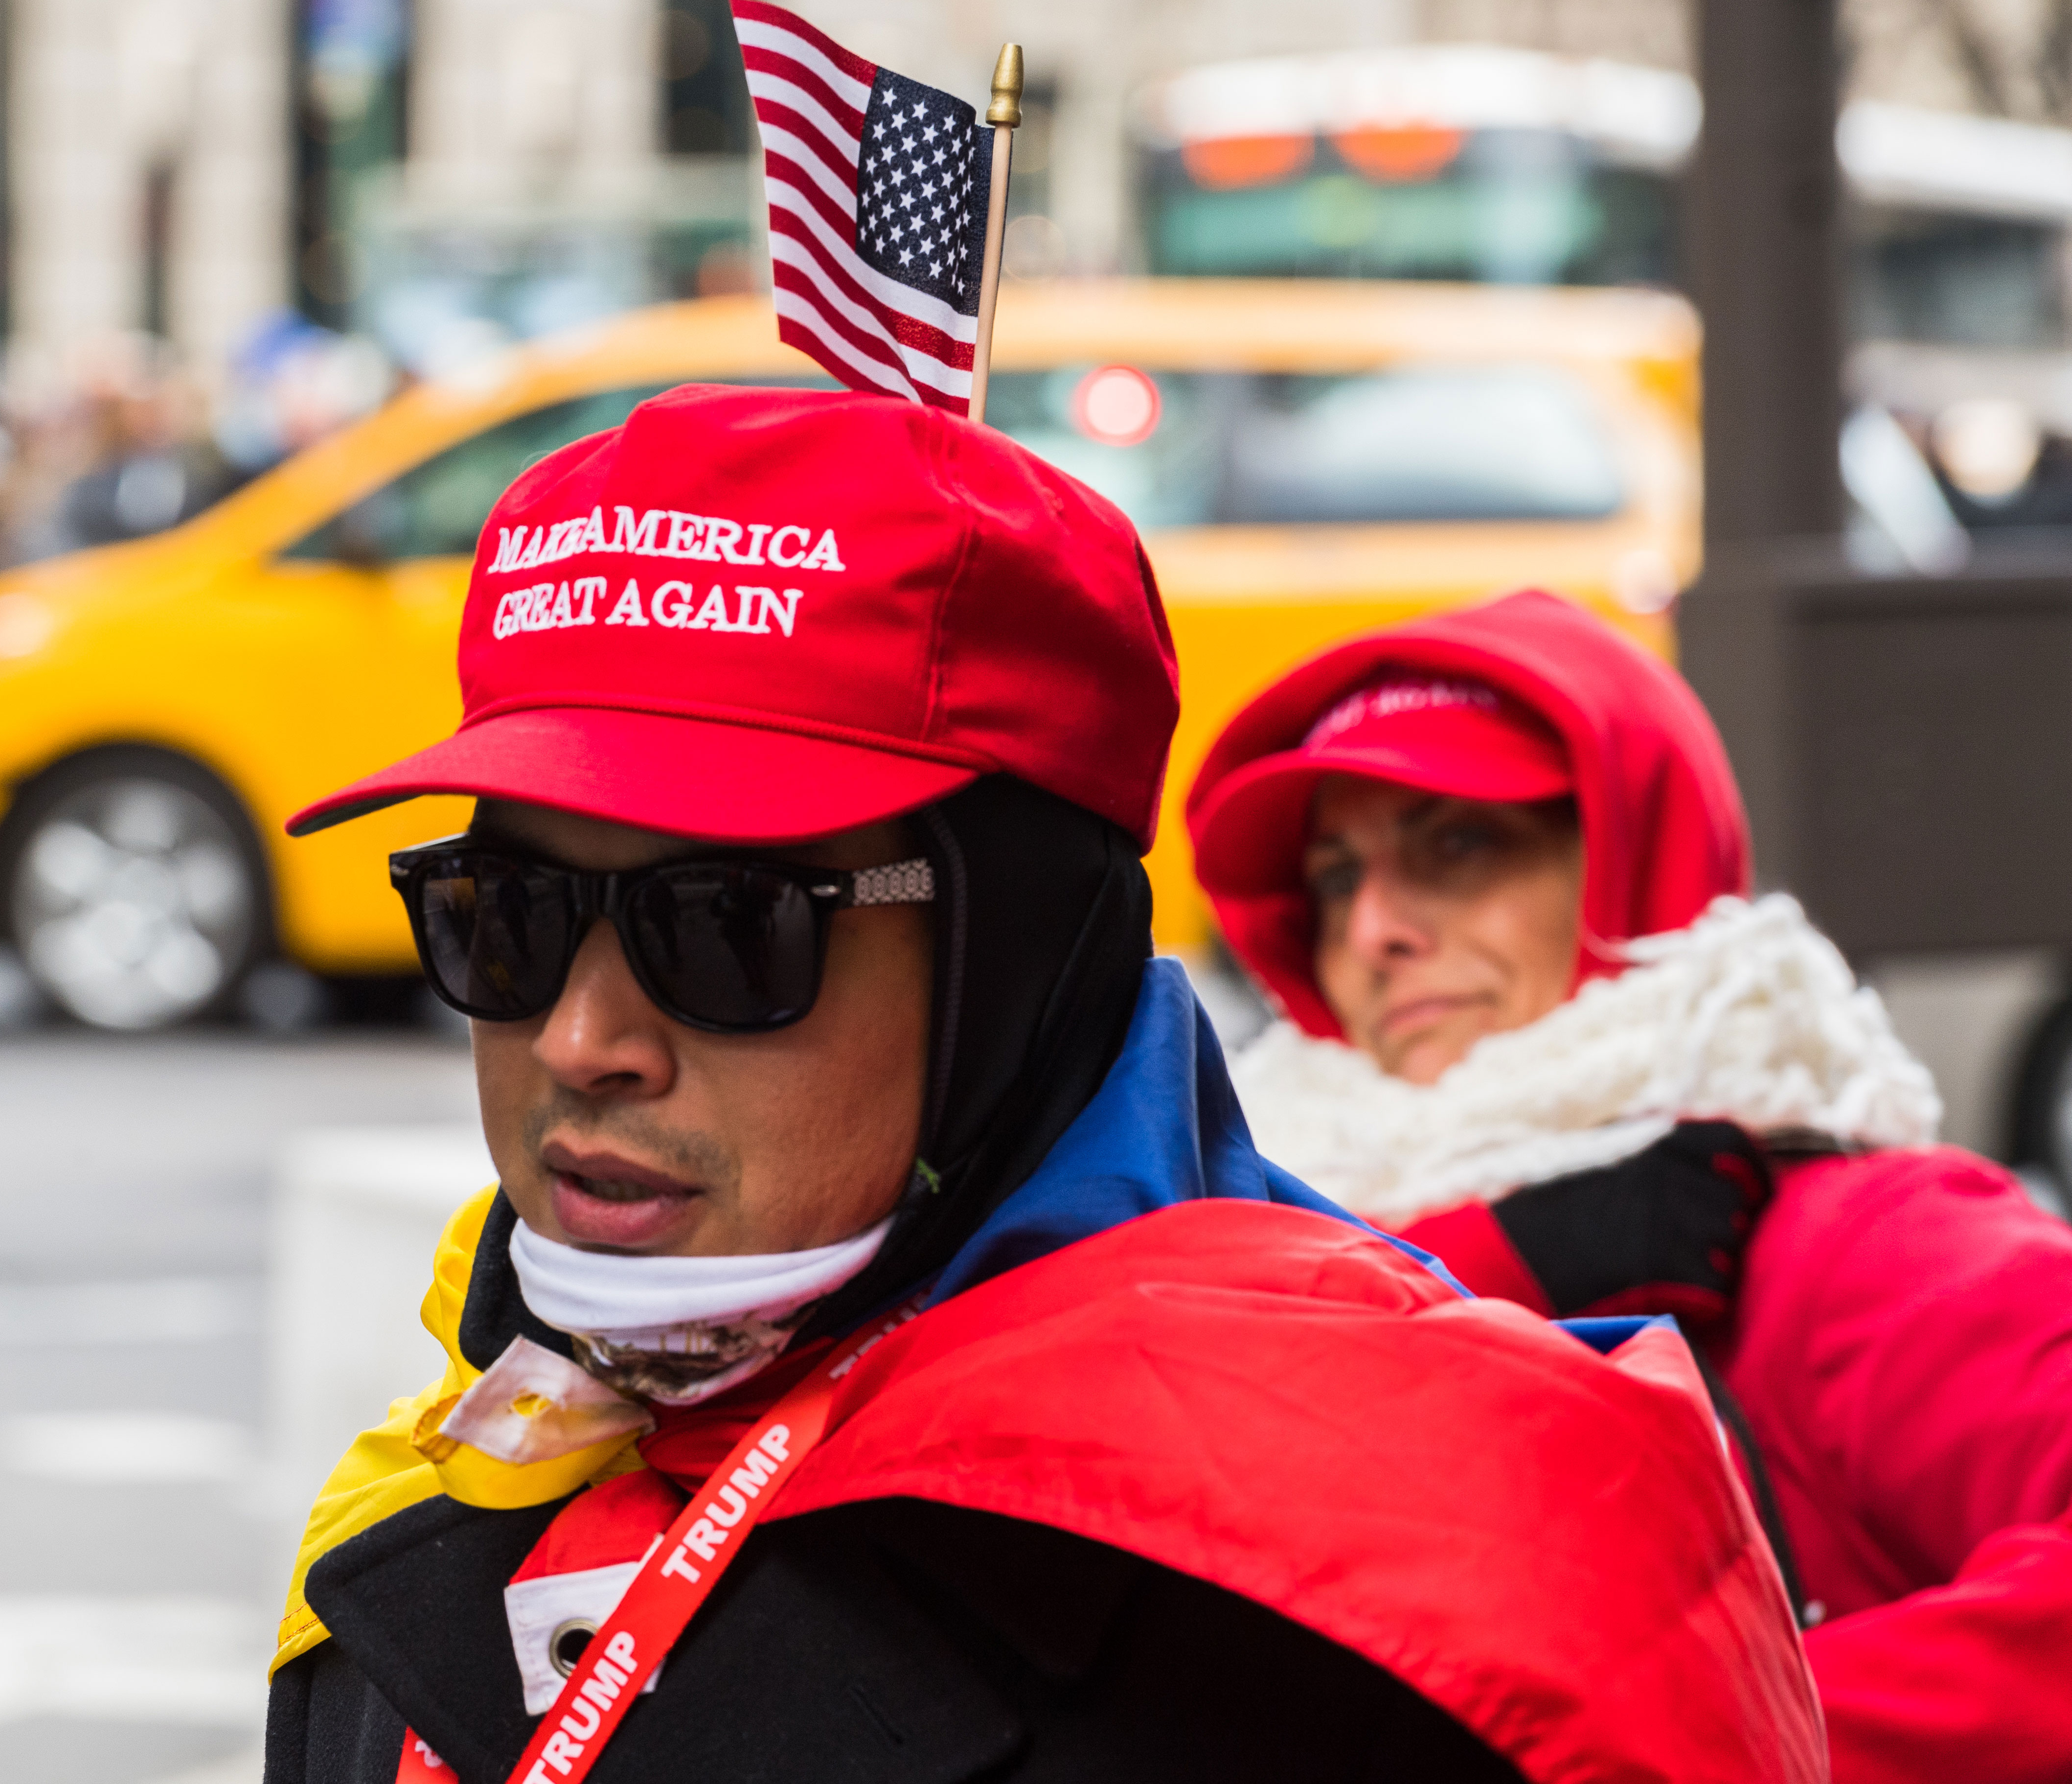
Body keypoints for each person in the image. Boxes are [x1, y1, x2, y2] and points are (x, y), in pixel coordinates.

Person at [264, 390, 1819, 1782]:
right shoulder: (445, 1468)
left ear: (1014, 969)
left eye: (729, 929)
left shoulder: (1367, 1588)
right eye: (507, 920)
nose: (580, 1038)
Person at [1187, 587, 2072, 1784]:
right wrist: (1489, 1268)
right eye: (1336, 878)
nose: (1377, 928)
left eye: (1458, 843)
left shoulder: (1847, 1232)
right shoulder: (1258, 1264)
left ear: (1631, 863)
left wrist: (1706, 1745)